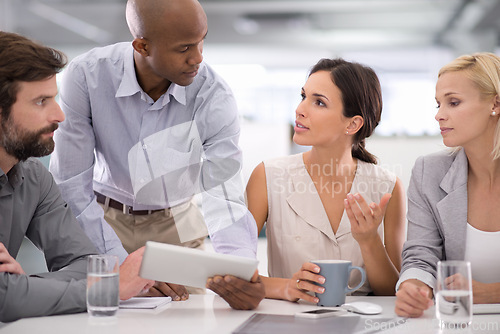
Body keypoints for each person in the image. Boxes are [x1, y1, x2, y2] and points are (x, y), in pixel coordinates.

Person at [49, 0, 263, 303]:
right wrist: (123, 264)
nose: (198, 58)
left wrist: (240, 270)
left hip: (175, 228)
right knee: (98, 316)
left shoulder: (214, 95)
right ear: (142, 46)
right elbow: (71, 183)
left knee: (182, 320)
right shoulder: (87, 76)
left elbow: (223, 193)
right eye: (184, 48)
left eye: (202, 41)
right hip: (100, 221)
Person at [0, 31, 154, 322]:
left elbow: (84, 265)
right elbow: (4, 300)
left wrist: (24, 289)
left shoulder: (35, 179)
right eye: (41, 101)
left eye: (55, 98)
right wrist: (112, 289)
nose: (59, 114)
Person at [245, 58, 406, 303]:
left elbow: (394, 292)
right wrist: (284, 287)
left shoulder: (387, 187)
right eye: (303, 96)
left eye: (319, 102)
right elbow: (234, 271)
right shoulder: (268, 176)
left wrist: (369, 241)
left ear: (353, 124)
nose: (300, 109)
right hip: (288, 321)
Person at [395, 52, 500, 318]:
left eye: (453, 102)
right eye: (438, 104)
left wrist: (492, 293)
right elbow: (421, 254)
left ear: (495, 104)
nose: (439, 115)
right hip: (460, 322)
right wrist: (414, 286)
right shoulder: (428, 171)